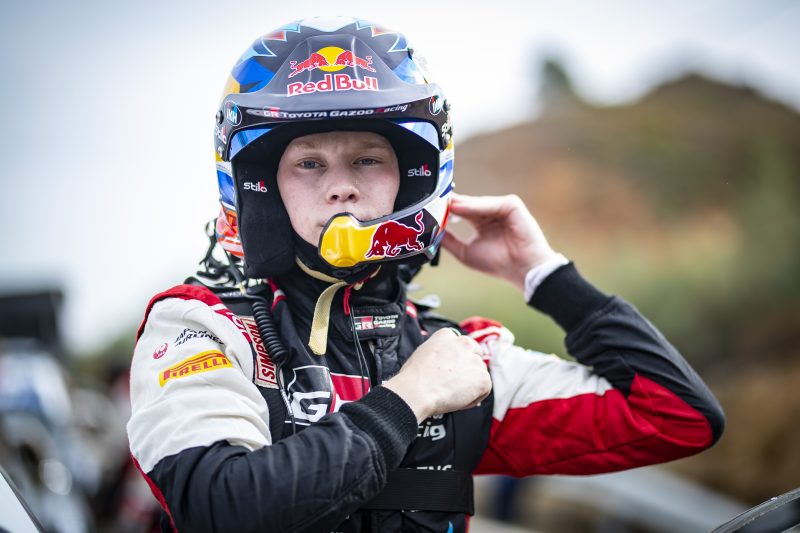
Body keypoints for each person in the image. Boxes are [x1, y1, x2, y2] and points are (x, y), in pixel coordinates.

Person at [127, 16, 725, 533]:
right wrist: (409, 399)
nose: (341, 186)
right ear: (264, 187)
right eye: (309, 163)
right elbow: (219, 508)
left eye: (368, 159)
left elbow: (678, 416)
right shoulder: (202, 327)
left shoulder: (461, 360)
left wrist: (544, 275)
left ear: (410, 179)